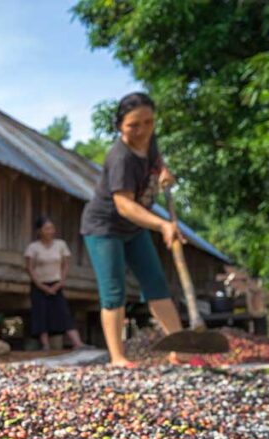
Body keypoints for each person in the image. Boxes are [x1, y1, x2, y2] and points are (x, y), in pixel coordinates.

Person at [80, 92, 184, 368]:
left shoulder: (150, 141)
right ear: (120, 126)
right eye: (133, 126)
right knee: (114, 291)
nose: (142, 131)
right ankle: (118, 357)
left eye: (148, 122)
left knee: (156, 284)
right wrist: (162, 224)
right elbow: (124, 205)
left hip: (133, 228)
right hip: (104, 227)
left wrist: (164, 172)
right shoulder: (120, 157)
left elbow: (156, 160)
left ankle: (180, 349)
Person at [24, 216, 88, 350]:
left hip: (56, 283)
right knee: (41, 314)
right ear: (39, 231)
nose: (50, 231)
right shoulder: (33, 247)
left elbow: (65, 265)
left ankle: (78, 343)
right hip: (39, 285)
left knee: (64, 313)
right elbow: (30, 268)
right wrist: (41, 286)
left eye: (52, 228)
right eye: (47, 228)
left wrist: (60, 283)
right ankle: (45, 345)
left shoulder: (60, 244)